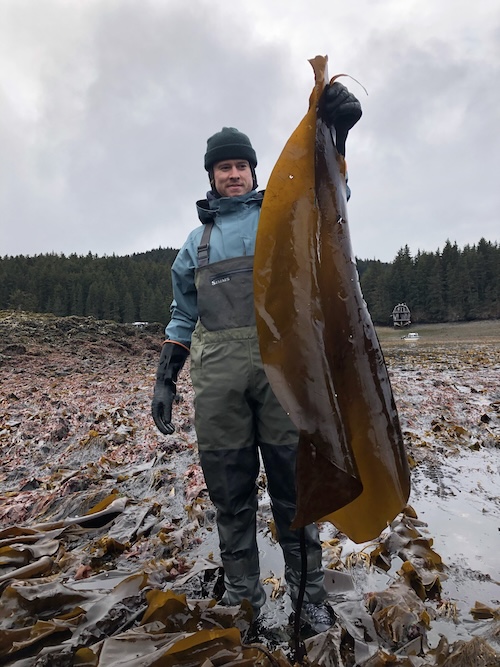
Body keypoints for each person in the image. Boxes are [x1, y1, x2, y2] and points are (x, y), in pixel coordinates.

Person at [152, 82, 362, 634]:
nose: (232, 174)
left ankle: (309, 597)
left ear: (251, 169)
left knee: (298, 492)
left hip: (284, 377)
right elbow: (181, 317)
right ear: (211, 177)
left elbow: (327, 202)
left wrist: (334, 137)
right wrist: (166, 376)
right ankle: (242, 603)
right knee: (231, 496)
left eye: (240, 164)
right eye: (222, 167)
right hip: (218, 381)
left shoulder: (282, 215)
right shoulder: (193, 245)